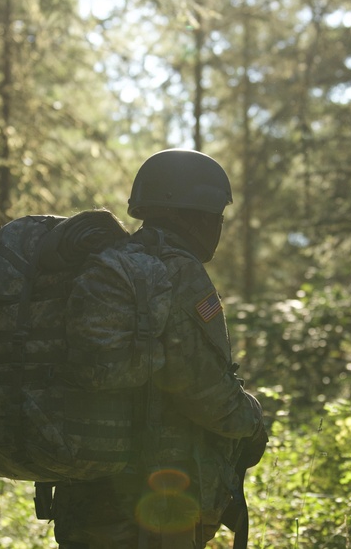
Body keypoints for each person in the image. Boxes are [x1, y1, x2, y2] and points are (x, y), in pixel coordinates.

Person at [51, 148, 268, 549]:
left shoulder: (108, 263)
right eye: (217, 217)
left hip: (84, 491)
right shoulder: (178, 270)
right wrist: (252, 420)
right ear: (193, 214)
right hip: (155, 501)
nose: (218, 228)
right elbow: (200, 386)